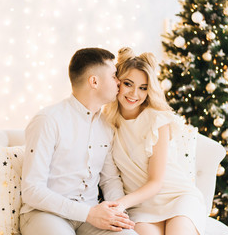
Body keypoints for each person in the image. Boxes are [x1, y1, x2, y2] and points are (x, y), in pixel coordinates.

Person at [20, 47, 137, 235]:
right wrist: (89, 213)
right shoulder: (48, 120)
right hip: (45, 215)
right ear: (94, 81)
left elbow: (110, 180)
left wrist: (117, 213)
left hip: (91, 215)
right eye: (114, 76)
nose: (119, 82)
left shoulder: (107, 125)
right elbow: (32, 190)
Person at [104, 47, 206, 235]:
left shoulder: (157, 120)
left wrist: (118, 205)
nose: (135, 93)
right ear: (117, 82)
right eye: (128, 84)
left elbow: (156, 182)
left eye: (143, 88)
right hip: (141, 207)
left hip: (177, 197)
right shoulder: (106, 123)